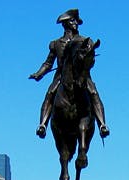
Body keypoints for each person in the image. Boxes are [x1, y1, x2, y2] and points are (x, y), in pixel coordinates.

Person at [29, 8, 109, 139]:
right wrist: (39, 74)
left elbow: (90, 60)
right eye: (72, 20)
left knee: (93, 92)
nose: (76, 23)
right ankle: (43, 124)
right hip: (61, 76)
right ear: (65, 23)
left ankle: (102, 124)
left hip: (82, 75)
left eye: (76, 21)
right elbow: (48, 63)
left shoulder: (85, 41)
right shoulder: (56, 43)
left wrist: (86, 63)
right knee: (50, 94)